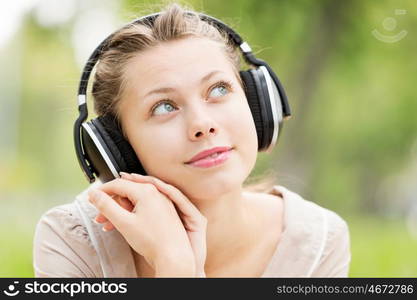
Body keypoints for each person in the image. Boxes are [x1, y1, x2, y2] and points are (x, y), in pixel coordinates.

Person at [33, 3, 351, 278]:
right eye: (164, 107)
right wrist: (175, 265)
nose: (202, 125)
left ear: (257, 105)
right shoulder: (74, 240)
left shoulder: (318, 242)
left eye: (218, 89)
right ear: (119, 148)